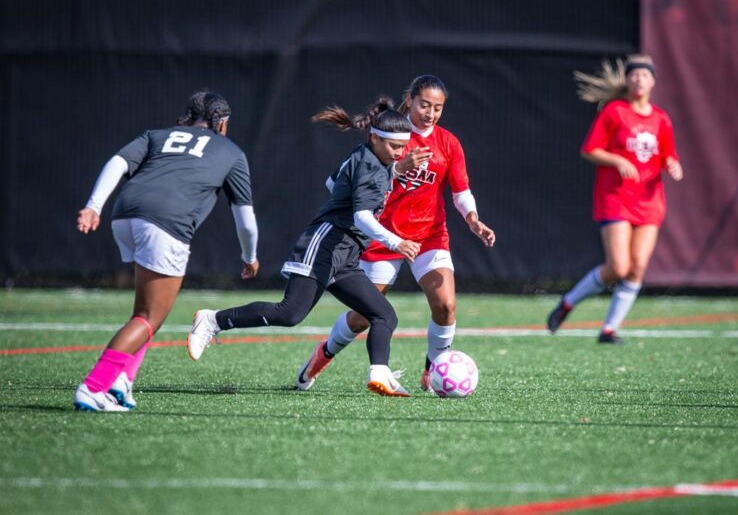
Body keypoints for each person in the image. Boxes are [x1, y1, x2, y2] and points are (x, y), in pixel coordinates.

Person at [188, 97, 421, 396]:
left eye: (403, 147)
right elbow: (362, 217)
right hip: (325, 243)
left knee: (384, 315)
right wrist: (396, 241)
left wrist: (391, 171)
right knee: (289, 313)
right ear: (375, 137)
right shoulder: (371, 166)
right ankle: (213, 320)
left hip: (345, 255)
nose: (400, 153)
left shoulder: (369, 158)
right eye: (394, 147)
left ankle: (380, 373)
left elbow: (330, 182)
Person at [294, 75, 496, 393]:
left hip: (429, 235)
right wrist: (400, 168)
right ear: (411, 100)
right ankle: (323, 355)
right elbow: (354, 179)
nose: (429, 113)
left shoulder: (448, 143)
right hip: (384, 236)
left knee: (445, 305)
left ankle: (434, 372)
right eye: (424, 105)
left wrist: (472, 218)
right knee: (364, 315)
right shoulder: (391, 136)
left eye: (437, 108)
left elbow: (461, 191)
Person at [73, 91, 259, 411]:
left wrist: (93, 206)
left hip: (124, 214)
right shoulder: (231, 151)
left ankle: (121, 381)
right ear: (222, 123)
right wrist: (250, 256)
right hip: (164, 224)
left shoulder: (157, 134)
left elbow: (117, 162)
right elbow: (246, 221)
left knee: (145, 312)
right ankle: (94, 386)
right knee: (148, 318)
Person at [546, 54, 683, 343]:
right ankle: (568, 302)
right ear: (628, 80)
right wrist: (616, 160)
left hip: (649, 201)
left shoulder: (661, 119)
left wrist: (672, 164)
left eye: (645, 75)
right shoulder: (615, 112)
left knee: (638, 267)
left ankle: (609, 329)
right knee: (618, 266)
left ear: (653, 81)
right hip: (616, 198)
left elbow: (668, 153)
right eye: (634, 75)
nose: (639, 80)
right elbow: (589, 149)